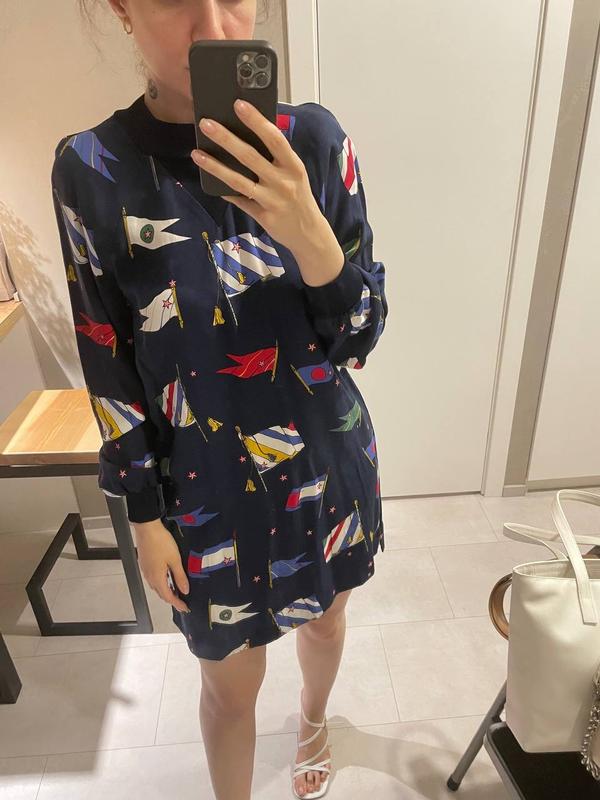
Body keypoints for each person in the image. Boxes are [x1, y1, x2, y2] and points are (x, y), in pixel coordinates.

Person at [51, 1, 388, 797]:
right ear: (122, 10)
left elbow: (359, 338)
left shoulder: (314, 142)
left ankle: (313, 719)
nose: (213, 28)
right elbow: (108, 360)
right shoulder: (91, 169)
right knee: (228, 688)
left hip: (324, 457)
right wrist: (142, 515)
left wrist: (310, 234)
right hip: (202, 490)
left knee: (327, 622)